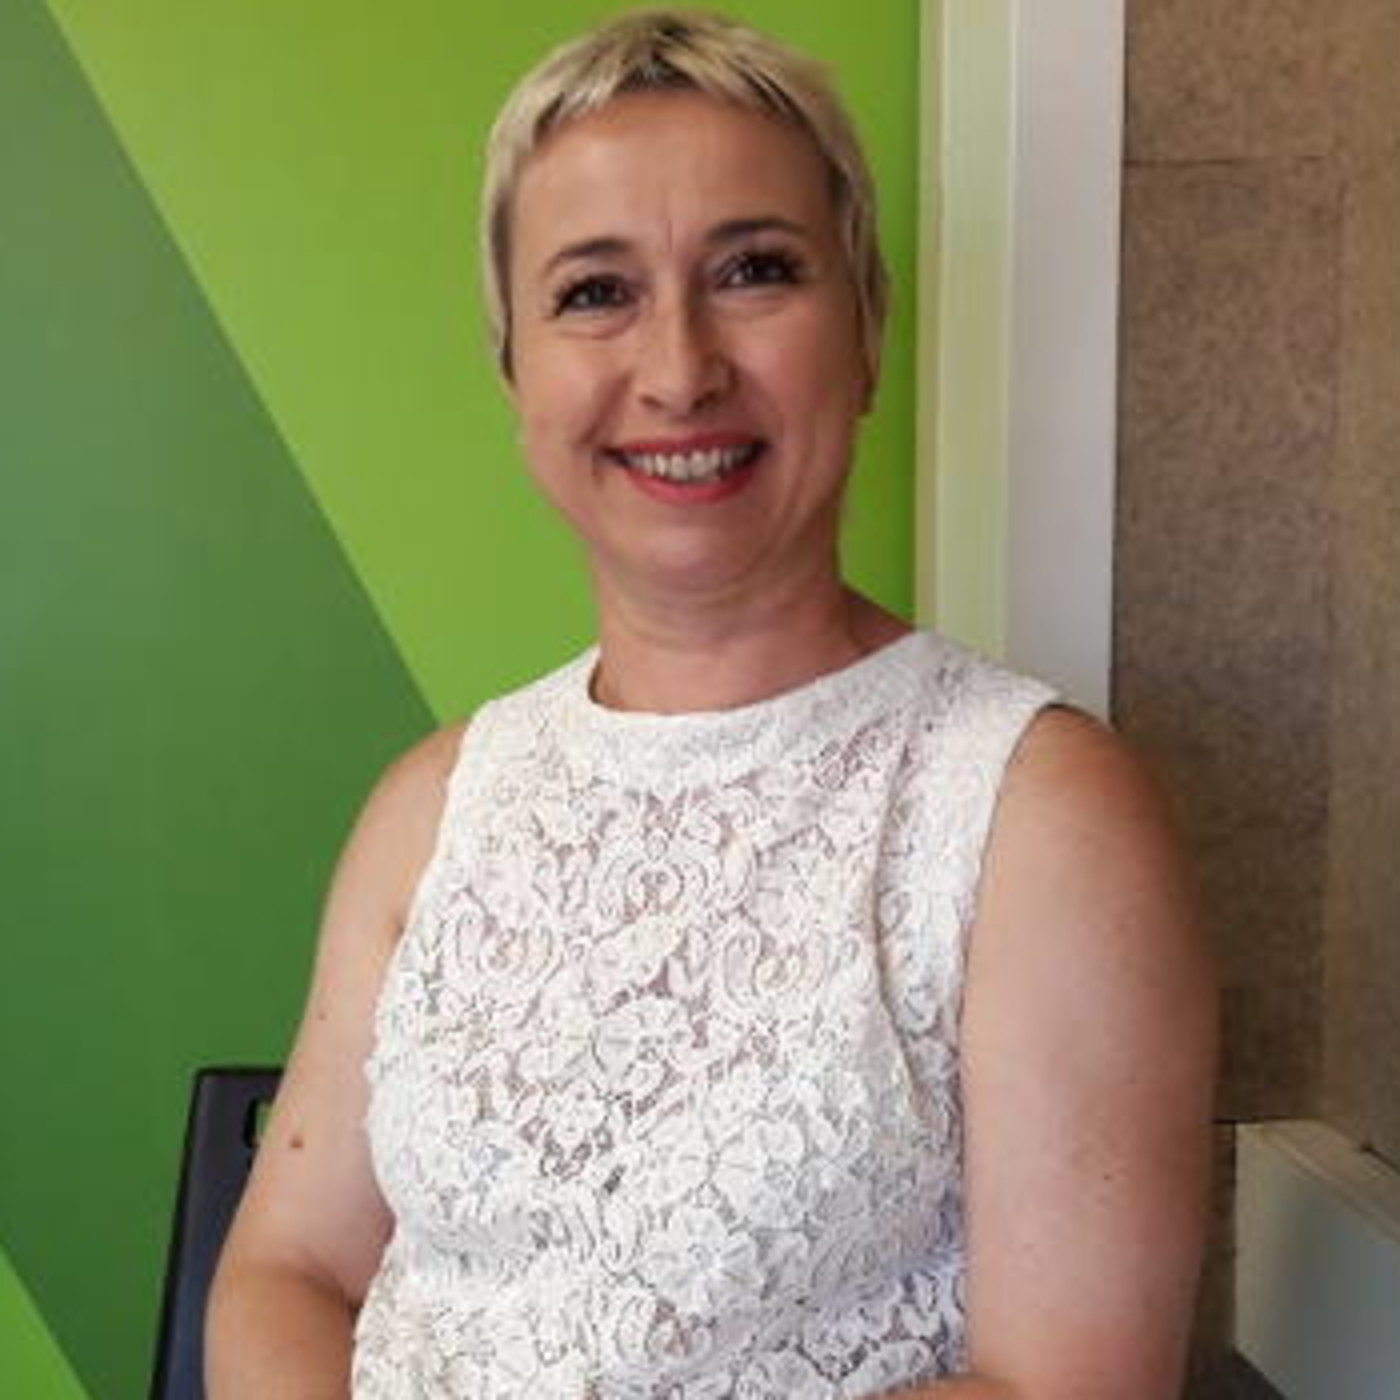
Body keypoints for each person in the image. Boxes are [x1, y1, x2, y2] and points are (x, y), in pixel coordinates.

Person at [206, 10, 1217, 1398]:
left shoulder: (1037, 817)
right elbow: (289, 1272)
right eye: (595, 292)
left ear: (866, 334)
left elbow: (1066, 1387)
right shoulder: (433, 808)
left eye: (754, 270)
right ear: (517, 373)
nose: (679, 370)